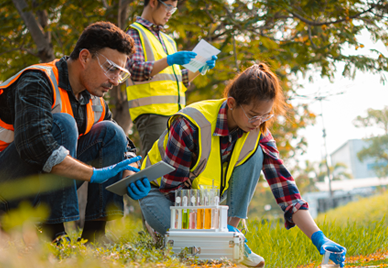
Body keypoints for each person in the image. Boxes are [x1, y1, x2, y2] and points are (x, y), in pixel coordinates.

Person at [138, 63, 347, 267]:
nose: (258, 122)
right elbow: (172, 189)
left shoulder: (258, 133)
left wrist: (319, 238)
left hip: (206, 202)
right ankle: (211, 241)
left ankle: (229, 235)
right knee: (198, 248)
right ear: (231, 103)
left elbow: (285, 188)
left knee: (257, 154)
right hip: (161, 194)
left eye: (266, 115)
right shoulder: (190, 124)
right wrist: (215, 231)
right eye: (253, 115)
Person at [0, 21, 151, 243]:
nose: (114, 81)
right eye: (111, 69)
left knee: (112, 132)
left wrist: (130, 173)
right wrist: (94, 174)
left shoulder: (94, 100)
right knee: (63, 124)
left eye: (120, 73)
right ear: (85, 57)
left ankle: (96, 238)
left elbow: (125, 145)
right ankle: (54, 235)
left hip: (35, 190)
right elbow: (35, 147)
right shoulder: (37, 81)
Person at [125, 0, 217, 156]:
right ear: (153, 2)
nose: (170, 13)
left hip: (177, 116)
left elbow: (179, 80)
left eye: (173, 9)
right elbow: (134, 70)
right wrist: (170, 59)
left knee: (175, 168)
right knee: (156, 167)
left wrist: (200, 66)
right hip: (152, 116)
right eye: (168, 7)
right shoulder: (134, 33)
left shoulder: (168, 40)